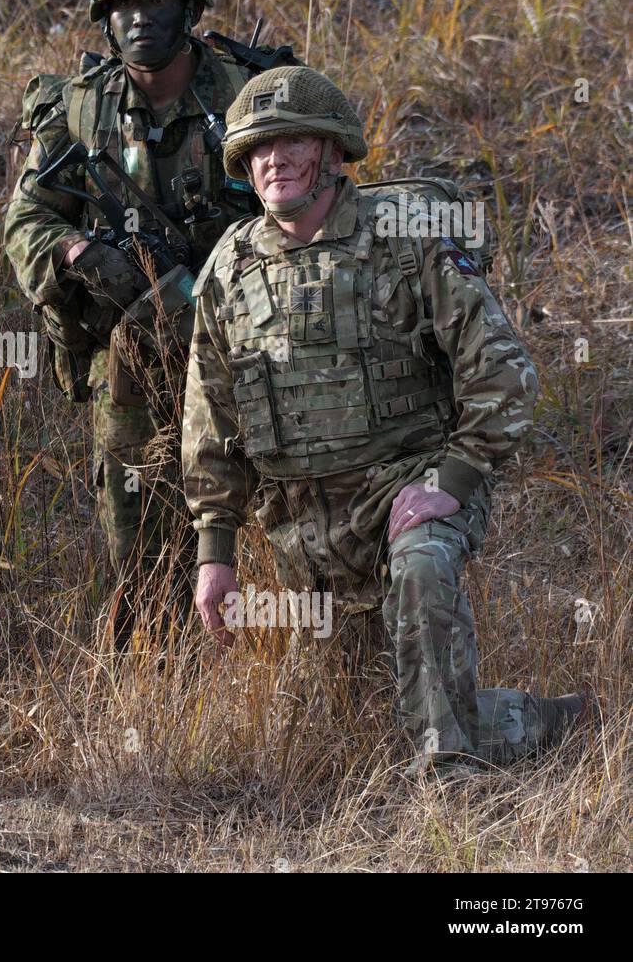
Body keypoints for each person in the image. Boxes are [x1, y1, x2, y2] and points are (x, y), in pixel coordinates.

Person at [183, 65, 589, 776]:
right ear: (244, 167)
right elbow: (210, 417)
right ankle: (549, 719)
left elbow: (503, 372)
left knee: (424, 565)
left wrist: (452, 479)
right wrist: (215, 550)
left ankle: (451, 780)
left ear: (334, 153)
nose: (275, 159)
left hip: (409, 488)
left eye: (294, 142)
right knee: (368, 720)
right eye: (259, 148)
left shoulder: (407, 239)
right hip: (306, 533)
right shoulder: (229, 267)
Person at [4, 0, 262, 645]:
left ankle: (286, 688)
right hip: (129, 363)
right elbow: (25, 225)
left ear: (190, 8)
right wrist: (80, 257)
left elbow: (306, 208)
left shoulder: (248, 94)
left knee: (271, 529)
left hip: (245, 352)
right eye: (121, 7)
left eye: (155, 4)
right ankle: (154, 698)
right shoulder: (76, 110)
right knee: (140, 544)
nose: (139, 20)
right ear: (104, 19)